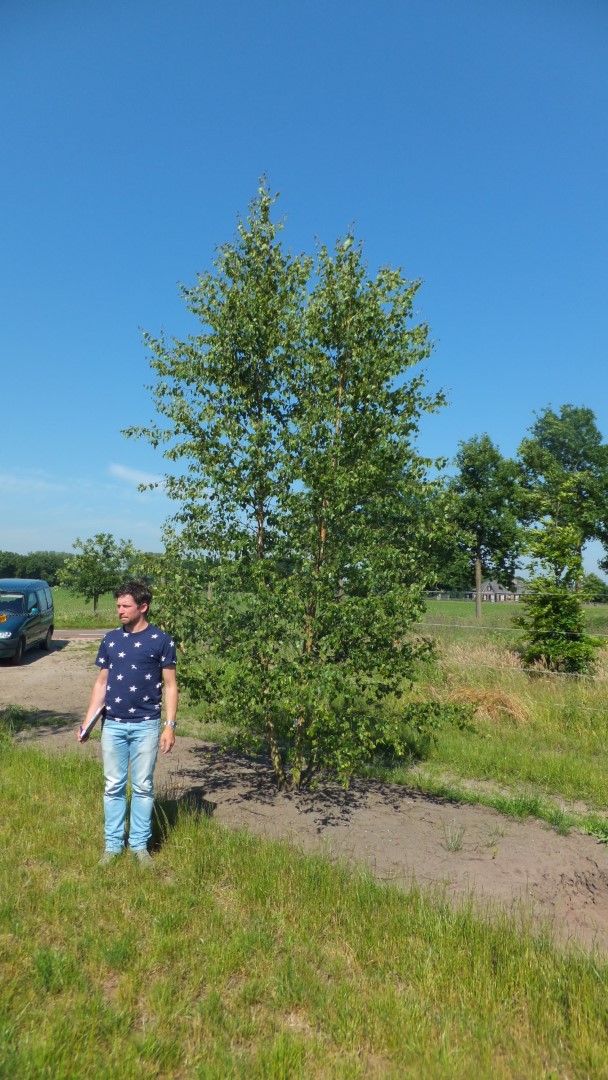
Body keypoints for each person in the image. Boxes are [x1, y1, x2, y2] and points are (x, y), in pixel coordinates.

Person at [79, 581, 178, 866]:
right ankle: (112, 846)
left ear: (143, 607)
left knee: (143, 786)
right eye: (118, 606)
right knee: (113, 786)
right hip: (112, 725)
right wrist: (87, 722)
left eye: (125, 606)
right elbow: (101, 683)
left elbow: (170, 686)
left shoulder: (162, 640)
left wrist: (169, 726)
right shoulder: (111, 639)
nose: (120, 611)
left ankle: (139, 846)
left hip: (147, 724)